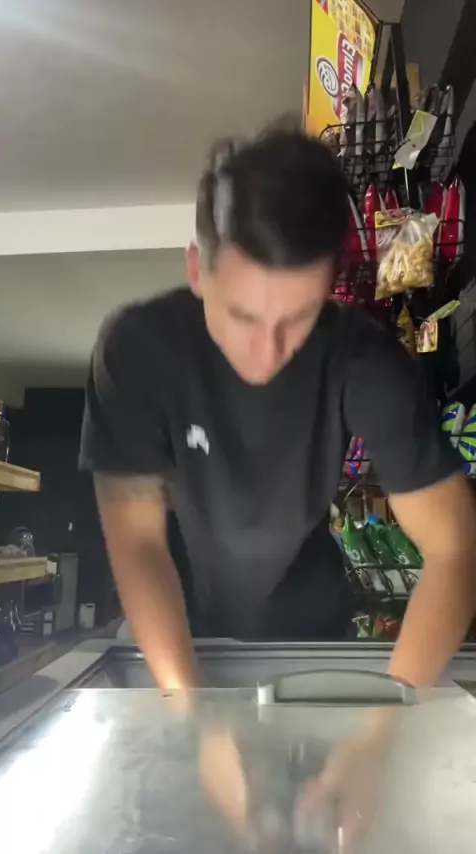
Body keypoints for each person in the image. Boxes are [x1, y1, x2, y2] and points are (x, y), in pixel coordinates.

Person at [80, 128, 476, 697]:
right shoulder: (136, 351)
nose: (267, 355)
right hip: (176, 631)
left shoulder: (365, 359)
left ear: (329, 288)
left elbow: (454, 547)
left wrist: (384, 719)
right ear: (197, 271)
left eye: (298, 318)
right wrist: (191, 710)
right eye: (242, 316)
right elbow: (138, 543)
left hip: (312, 634)